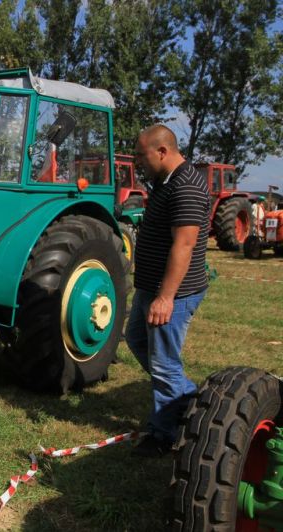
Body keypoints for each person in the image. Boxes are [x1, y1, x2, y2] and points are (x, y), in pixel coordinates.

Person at [126, 124, 210, 457]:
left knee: (163, 364)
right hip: (152, 288)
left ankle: (164, 433)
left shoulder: (186, 185)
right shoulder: (165, 181)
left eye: (142, 155)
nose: (138, 162)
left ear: (162, 151)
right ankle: (189, 401)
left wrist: (165, 297)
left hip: (173, 293)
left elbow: (184, 245)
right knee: (136, 340)